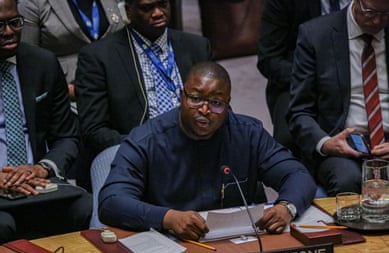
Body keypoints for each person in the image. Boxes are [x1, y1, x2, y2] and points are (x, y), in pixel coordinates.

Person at [99, 61, 315, 240]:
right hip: (171, 244)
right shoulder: (146, 139)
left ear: (228, 104)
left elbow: (297, 175)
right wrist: (167, 217)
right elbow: (112, 201)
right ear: (182, 96)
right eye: (195, 99)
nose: (204, 110)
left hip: (238, 244)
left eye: (216, 102)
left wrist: (287, 207)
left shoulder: (248, 133)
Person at [0, 0, 91, 250]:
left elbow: (66, 136)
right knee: (0, 223)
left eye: (14, 22)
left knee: (85, 206)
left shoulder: (42, 63)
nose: (9, 31)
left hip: (37, 182)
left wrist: (42, 168)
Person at [76, 0, 212, 159]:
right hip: (140, 154)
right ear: (127, 11)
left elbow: (218, 105)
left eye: (162, 4)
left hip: (197, 146)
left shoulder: (197, 46)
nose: (158, 13)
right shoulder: (98, 57)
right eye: (147, 8)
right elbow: (94, 130)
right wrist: (148, 145)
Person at [288, 0, 389, 195]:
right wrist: (326, 143)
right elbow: (300, 112)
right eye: (370, 12)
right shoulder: (316, 35)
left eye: (385, 14)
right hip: (342, 144)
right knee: (346, 181)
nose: (377, 20)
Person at [257, 0, 351, 155]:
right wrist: (311, 79)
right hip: (297, 79)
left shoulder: (372, 6)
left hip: (358, 74)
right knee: (286, 140)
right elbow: (269, 59)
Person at [17, 0, 125, 100]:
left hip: (119, 85)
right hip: (67, 96)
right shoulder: (32, 3)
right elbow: (28, 61)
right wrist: (70, 91)